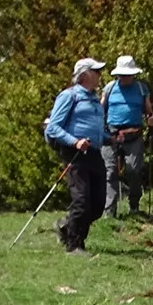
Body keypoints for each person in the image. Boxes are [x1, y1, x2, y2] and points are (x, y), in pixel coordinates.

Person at [44, 58, 107, 256]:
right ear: (84, 75)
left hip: (94, 152)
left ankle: (66, 226)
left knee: (98, 204)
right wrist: (74, 141)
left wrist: (111, 138)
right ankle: (74, 245)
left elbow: (95, 129)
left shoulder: (94, 99)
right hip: (75, 152)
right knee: (82, 200)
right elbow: (53, 127)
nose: (99, 75)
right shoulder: (69, 96)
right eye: (96, 71)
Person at [100, 55, 153, 219]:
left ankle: (134, 206)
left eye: (128, 74)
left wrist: (151, 119)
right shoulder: (109, 88)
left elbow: (149, 111)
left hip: (134, 135)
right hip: (111, 135)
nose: (125, 77)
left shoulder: (141, 89)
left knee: (134, 170)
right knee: (110, 172)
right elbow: (101, 108)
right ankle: (109, 211)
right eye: (122, 75)